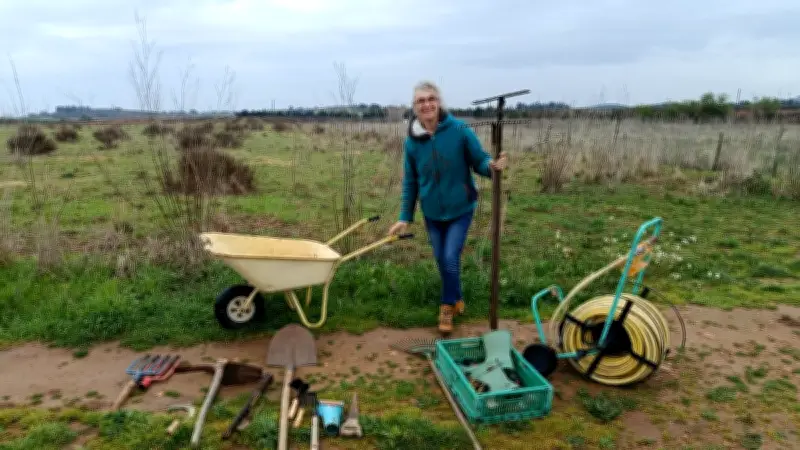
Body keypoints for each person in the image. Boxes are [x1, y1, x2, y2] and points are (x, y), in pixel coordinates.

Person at [388, 81, 508, 334]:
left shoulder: (459, 130)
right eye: (421, 101)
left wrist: (493, 167)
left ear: (439, 102)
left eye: (431, 98)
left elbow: (480, 160)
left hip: (460, 208)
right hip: (431, 212)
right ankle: (457, 297)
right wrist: (404, 217)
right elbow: (411, 182)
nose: (427, 104)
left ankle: (446, 307)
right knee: (442, 262)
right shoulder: (412, 143)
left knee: (450, 257)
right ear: (415, 107)